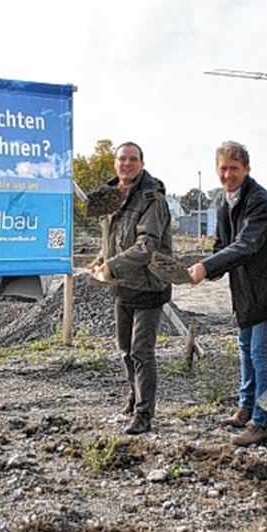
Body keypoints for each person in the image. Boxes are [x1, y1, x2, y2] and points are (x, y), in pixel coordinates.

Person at [188, 141, 267, 447]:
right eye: (223, 168)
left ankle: (263, 423)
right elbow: (223, 244)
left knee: (261, 351)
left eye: (234, 168)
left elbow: (247, 244)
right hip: (245, 289)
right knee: (245, 346)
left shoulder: (259, 200)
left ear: (247, 169)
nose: (228, 174)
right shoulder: (225, 201)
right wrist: (212, 268)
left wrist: (207, 267)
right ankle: (246, 406)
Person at [88, 141, 173, 435]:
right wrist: (101, 258)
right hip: (121, 286)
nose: (127, 164)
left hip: (149, 286)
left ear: (142, 163)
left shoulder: (152, 199)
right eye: (122, 159)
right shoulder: (110, 195)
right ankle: (134, 393)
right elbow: (111, 237)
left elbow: (146, 246)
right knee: (124, 349)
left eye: (133, 159)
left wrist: (111, 264)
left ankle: (144, 414)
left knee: (141, 352)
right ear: (115, 163)